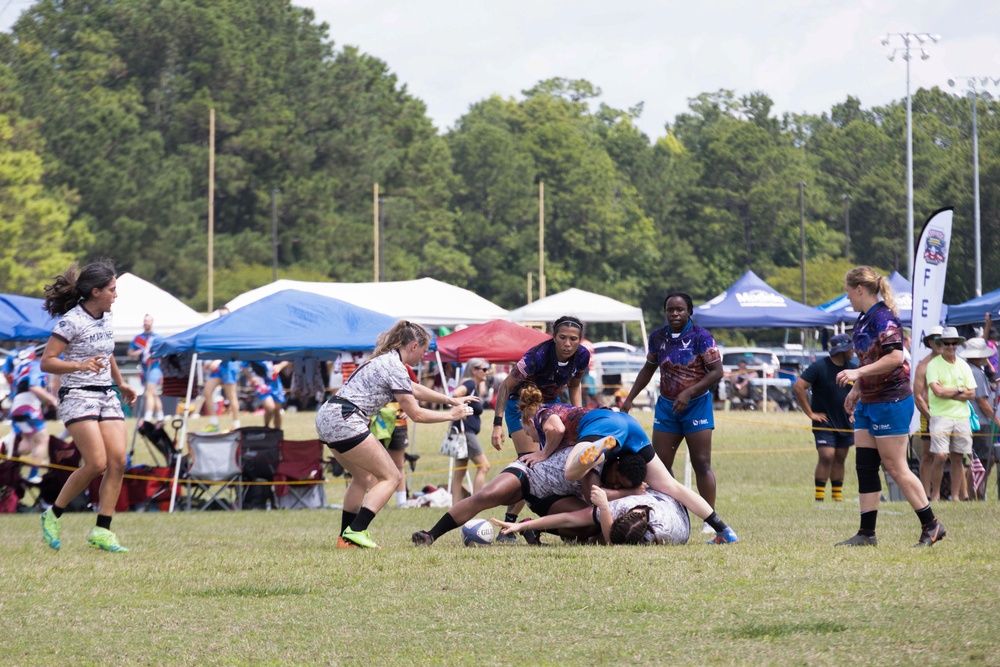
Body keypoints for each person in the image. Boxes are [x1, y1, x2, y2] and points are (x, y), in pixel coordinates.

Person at [315, 321, 476, 549]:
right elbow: (416, 414)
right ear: (413, 346)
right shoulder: (394, 366)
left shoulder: (387, 360)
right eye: (424, 350)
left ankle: (345, 538)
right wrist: (452, 415)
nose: (424, 355)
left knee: (362, 477)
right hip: (345, 419)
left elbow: (413, 388)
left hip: (328, 416)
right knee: (391, 477)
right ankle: (357, 530)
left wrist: (451, 399)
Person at [835, 266, 944, 547]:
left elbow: (895, 357)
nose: (847, 298)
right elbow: (868, 360)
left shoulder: (884, 318)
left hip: (891, 400)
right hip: (869, 401)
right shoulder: (863, 319)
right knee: (865, 466)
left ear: (859, 289)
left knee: (896, 467)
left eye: (848, 292)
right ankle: (866, 533)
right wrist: (857, 391)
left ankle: (932, 525)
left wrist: (857, 376)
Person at [38, 261, 138, 552]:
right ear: (95, 291)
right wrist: (80, 365)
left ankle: (102, 531)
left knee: (118, 460)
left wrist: (120, 383)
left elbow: (106, 353)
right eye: (112, 289)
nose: (115, 295)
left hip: (106, 393)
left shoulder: (106, 316)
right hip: (77, 395)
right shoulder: (71, 321)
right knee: (97, 463)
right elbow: (47, 362)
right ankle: (53, 513)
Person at [412, 435, 649, 546]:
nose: (616, 486)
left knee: (588, 523)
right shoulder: (597, 457)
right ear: (616, 465)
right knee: (487, 496)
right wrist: (629, 492)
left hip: (552, 499)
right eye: (618, 480)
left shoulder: (615, 477)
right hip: (530, 474)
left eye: (622, 487)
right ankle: (431, 534)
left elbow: (595, 503)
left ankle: (530, 527)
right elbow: (591, 495)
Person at [620, 292, 724, 534]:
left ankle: (709, 519)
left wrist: (689, 393)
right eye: (670, 310)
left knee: (701, 462)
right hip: (667, 406)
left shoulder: (701, 337)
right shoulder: (658, 337)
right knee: (661, 466)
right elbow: (649, 367)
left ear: (689, 312)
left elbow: (717, 372)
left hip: (696, 404)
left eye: (680, 310)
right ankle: (673, 511)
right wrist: (629, 399)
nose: (675, 314)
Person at [559, 406, 738, 544]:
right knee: (672, 486)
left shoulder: (581, 416)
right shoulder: (615, 416)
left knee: (570, 472)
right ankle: (724, 530)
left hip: (603, 428)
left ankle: (597, 454)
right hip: (633, 427)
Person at [490, 315, 590, 535]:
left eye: (573, 339)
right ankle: (510, 523)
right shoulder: (538, 355)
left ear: (579, 340)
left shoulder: (582, 355)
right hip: (522, 404)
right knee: (532, 462)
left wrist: (578, 416)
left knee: (558, 459)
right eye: (562, 337)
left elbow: (575, 385)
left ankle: (536, 522)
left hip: (552, 405)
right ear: (553, 336)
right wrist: (497, 424)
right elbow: (505, 387)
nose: (567, 343)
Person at [491, 485, 691, 546]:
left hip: (677, 509)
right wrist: (522, 526)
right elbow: (570, 517)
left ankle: (589, 537)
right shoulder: (624, 505)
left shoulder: (657, 535)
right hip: (668, 501)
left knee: (597, 537)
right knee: (593, 532)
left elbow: (612, 544)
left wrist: (604, 508)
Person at [793, 333, 856, 502]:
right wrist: (810, 413)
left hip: (845, 421)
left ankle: (837, 498)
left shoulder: (852, 368)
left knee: (840, 458)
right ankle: (819, 499)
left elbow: (860, 393)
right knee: (827, 456)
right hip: (825, 421)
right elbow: (799, 387)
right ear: (842, 350)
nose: (853, 351)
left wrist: (854, 411)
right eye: (851, 348)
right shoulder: (819, 367)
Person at [925, 327, 975, 502]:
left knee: (957, 457)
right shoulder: (933, 365)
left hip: (962, 417)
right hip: (940, 416)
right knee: (940, 456)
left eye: (954, 343)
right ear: (941, 344)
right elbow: (937, 392)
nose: (951, 346)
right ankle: (936, 495)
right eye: (947, 343)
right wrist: (961, 390)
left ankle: (955, 497)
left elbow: (972, 394)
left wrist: (950, 390)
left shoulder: (963, 365)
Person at [4, 343, 58, 484]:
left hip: (18, 405)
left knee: (27, 445)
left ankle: (7, 455)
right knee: (42, 440)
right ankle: (33, 475)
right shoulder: (37, 365)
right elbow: (33, 386)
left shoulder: (25, 364)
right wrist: (52, 399)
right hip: (27, 407)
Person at [447, 358, 491, 507]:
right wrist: (462, 408)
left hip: (463, 432)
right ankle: (476, 504)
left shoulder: (474, 385)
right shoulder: (470, 383)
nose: (487, 372)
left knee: (459, 472)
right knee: (484, 466)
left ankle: (455, 506)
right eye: (484, 369)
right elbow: (456, 394)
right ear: (474, 370)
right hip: (466, 433)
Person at [959, 337, 999, 500]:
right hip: (980, 422)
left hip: (977, 421)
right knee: (981, 459)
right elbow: (982, 401)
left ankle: (976, 492)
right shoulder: (975, 371)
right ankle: (973, 493)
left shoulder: (974, 369)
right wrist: (996, 421)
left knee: (983, 458)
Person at [913, 327, 944, 498]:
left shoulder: (952, 362)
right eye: (936, 339)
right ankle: (926, 495)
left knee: (953, 455)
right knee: (927, 456)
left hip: (950, 414)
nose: (940, 343)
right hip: (929, 415)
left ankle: (955, 495)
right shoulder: (923, 366)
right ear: (930, 342)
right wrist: (930, 417)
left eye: (942, 339)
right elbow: (918, 397)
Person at [127, 314, 164, 427]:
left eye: (148, 321)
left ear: (152, 323)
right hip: (144, 369)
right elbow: (130, 353)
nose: (146, 323)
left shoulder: (158, 338)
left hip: (155, 367)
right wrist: (136, 353)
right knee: (153, 394)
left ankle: (147, 419)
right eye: (145, 321)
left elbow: (164, 353)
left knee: (148, 393)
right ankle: (160, 418)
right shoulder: (138, 338)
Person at [251, 360, 289, 430]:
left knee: (277, 410)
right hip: (261, 381)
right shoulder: (253, 352)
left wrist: (280, 366)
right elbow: (244, 366)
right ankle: (266, 428)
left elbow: (288, 359)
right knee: (270, 407)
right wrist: (251, 377)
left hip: (275, 382)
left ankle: (278, 433)